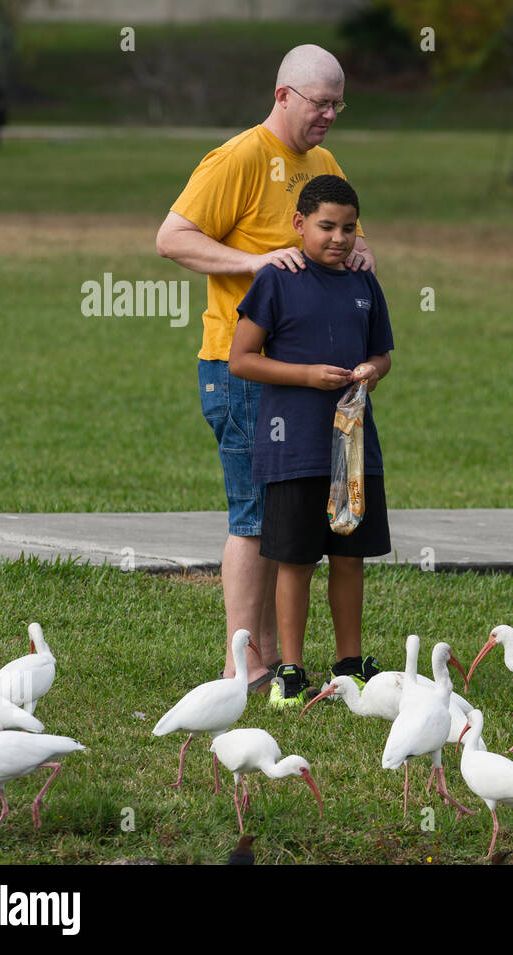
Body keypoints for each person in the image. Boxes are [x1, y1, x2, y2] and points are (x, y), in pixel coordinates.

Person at [156, 45, 375, 688]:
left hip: (304, 378)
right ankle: (241, 659)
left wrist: (358, 251)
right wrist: (255, 261)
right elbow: (172, 238)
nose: (330, 114)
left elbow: (340, 233)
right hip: (241, 368)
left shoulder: (322, 163)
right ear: (283, 95)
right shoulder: (239, 157)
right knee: (254, 514)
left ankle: (281, 656)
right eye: (320, 102)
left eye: (338, 103)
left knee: (291, 515)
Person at [228, 174, 393, 707]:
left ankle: (350, 663)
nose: (339, 238)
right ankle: (291, 670)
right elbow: (241, 359)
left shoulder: (364, 283)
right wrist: (305, 376)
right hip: (293, 447)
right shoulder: (277, 280)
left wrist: (371, 368)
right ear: (299, 225)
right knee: (296, 561)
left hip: (352, 448)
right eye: (326, 226)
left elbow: (384, 353)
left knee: (350, 557)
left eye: (348, 228)